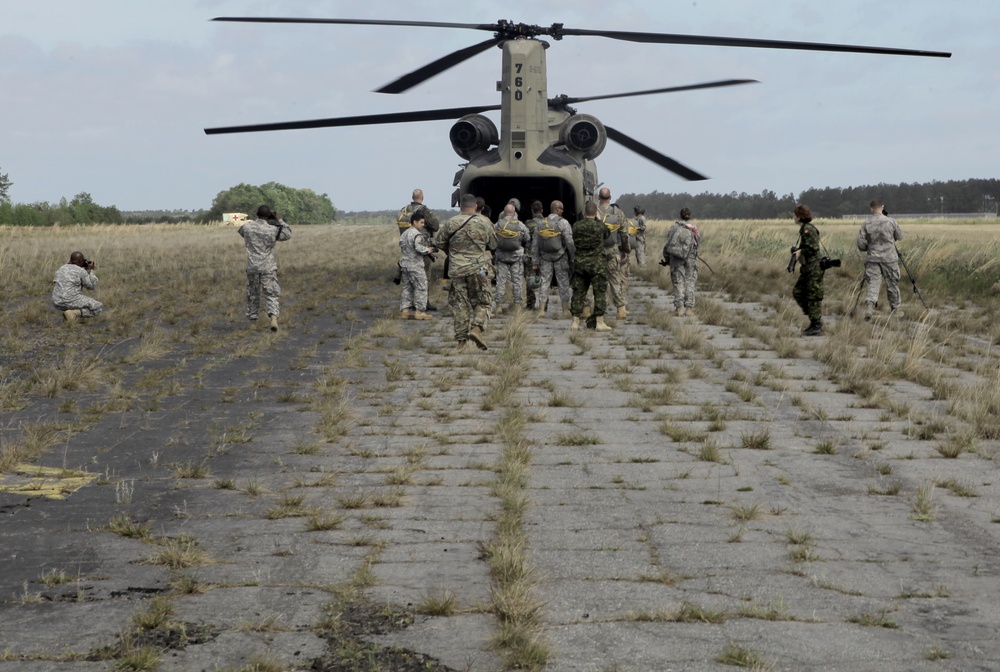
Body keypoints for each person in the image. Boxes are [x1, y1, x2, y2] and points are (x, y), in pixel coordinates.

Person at [434, 193, 497, 351]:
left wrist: (454, 252)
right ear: (475, 206)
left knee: (460, 304)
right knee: (483, 301)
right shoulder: (485, 222)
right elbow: (494, 244)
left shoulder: (451, 222)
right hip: (479, 268)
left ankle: (461, 342)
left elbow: (439, 242)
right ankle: (476, 329)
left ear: (461, 206)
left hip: (457, 269)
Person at [238, 205, 291, 331]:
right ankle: (273, 318)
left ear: (257, 214)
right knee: (271, 293)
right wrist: (279, 220)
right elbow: (287, 234)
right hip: (268, 266)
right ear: (269, 216)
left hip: (253, 266)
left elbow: (242, 233)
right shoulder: (273, 230)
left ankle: (253, 321)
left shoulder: (247, 227)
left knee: (253, 294)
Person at [857, 199, 904, 320]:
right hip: (889, 258)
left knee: (873, 283)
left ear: (871, 209)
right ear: (882, 207)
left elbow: (860, 245)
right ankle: (896, 310)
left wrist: (870, 246)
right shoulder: (891, 221)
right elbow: (900, 236)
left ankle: (869, 308)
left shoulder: (866, 224)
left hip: (873, 258)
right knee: (892, 283)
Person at [570, 202, 612, 331]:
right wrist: (599, 219)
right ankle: (599, 322)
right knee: (599, 292)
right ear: (595, 213)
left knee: (578, 292)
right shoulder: (600, 227)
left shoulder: (576, 226)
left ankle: (575, 322)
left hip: (580, 264)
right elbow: (607, 234)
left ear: (584, 212)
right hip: (597, 264)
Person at [395, 188, 440, 309]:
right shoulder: (424, 210)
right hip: (422, 250)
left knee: (408, 282)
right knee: (423, 279)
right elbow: (435, 226)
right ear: (422, 197)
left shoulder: (403, 211)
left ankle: (408, 305)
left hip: (407, 250)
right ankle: (423, 304)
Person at [531, 200, 575, 318]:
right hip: (560, 256)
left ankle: (541, 310)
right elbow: (569, 242)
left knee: (544, 283)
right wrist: (573, 257)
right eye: (561, 209)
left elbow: (535, 244)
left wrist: (535, 260)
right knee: (563, 283)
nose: (562, 211)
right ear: (556, 209)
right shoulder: (563, 223)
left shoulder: (540, 224)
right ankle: (565, 310)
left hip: (544, 257)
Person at [597, 187, 631, 320]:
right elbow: (624, 234)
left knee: (598, 281)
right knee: (615, 279)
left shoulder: (594, 212)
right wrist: (625, 250)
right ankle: (620, 309)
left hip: (597, 252)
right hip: (613, 250)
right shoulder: (618, 213)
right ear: (610, 198)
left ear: (599, 198)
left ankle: (595, 308)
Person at [791, 204, 824, 336]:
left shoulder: (808, 230)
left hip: (814, 267)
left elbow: (813, 248)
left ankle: (816, 324)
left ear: (799, 217)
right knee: (798, 292)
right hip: (808, 268)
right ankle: (813, 317)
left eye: (795, 215)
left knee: (813, 296)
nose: (793, 218)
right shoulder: (804, 229)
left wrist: (800, 251)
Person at [493, 203, 531, 314]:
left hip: (501, 257)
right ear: (514, 213)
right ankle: (517, 306)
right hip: (516, 256)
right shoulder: (520, 225)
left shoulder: (498, 225)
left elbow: (492, 238)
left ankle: (499, 306)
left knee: (500, 281)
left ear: (504, 213)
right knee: (517, 281)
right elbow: (527, 238)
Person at [398, 211, 437, 321]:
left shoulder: (404, 234)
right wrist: (428, 250)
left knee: (407, 287)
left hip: (405, 264)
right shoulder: (416, 235)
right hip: (415, 265)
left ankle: (405, 311)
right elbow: (418, 248)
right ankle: (420, 311)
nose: (423, 225)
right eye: (421, 222)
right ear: (414, 222)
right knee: (422, 286)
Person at [662, 207, 700, 316]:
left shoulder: (674, 227)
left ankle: (679, 308)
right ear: (689, 216)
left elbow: (668, 244)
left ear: (680, 215)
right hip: (691, 258)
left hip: (676, 258)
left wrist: (667, 258)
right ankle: (689, 309)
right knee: (690, 282)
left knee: (678, 282)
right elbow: (697, 245)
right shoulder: (693, 228)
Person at [52, 251, 103, 321]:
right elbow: (91, 286)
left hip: (57, 301)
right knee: (98, 307)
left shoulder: (60, 269)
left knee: (75, 301)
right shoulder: (81, 271)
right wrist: (89, 270)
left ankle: (68, 317)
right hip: (71, 300)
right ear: (80, 261)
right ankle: (74, 313)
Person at [523, 200, 544, 310]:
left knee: (529, 279)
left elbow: (524, 238)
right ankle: (543, 305)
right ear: (542, 210)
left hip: (530, 254)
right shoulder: (546, 223)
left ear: (532, 210)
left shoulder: (527, 223)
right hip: (543, 255)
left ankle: (530, 304)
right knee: (544, 279)